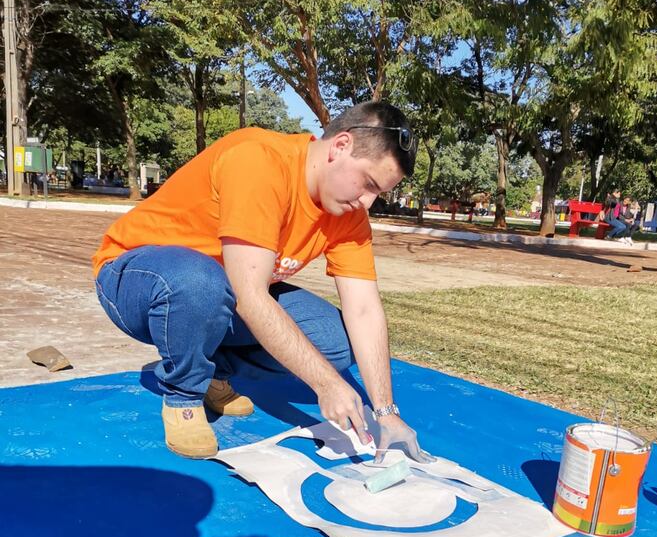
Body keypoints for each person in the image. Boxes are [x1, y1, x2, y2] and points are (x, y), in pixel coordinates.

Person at [93, 101, 429, 462]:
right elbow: (250, 296)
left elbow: (363, 309)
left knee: (336, 340)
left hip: (220, 293)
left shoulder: (348, 212)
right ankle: (184, 394)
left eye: (379, 193)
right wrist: (326, 384)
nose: (367, 202)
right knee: (201, 282)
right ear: (340, 146)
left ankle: (211, 374)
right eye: (368, 184)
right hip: (136, 279)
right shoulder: (259, 162)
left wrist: (386, 412)